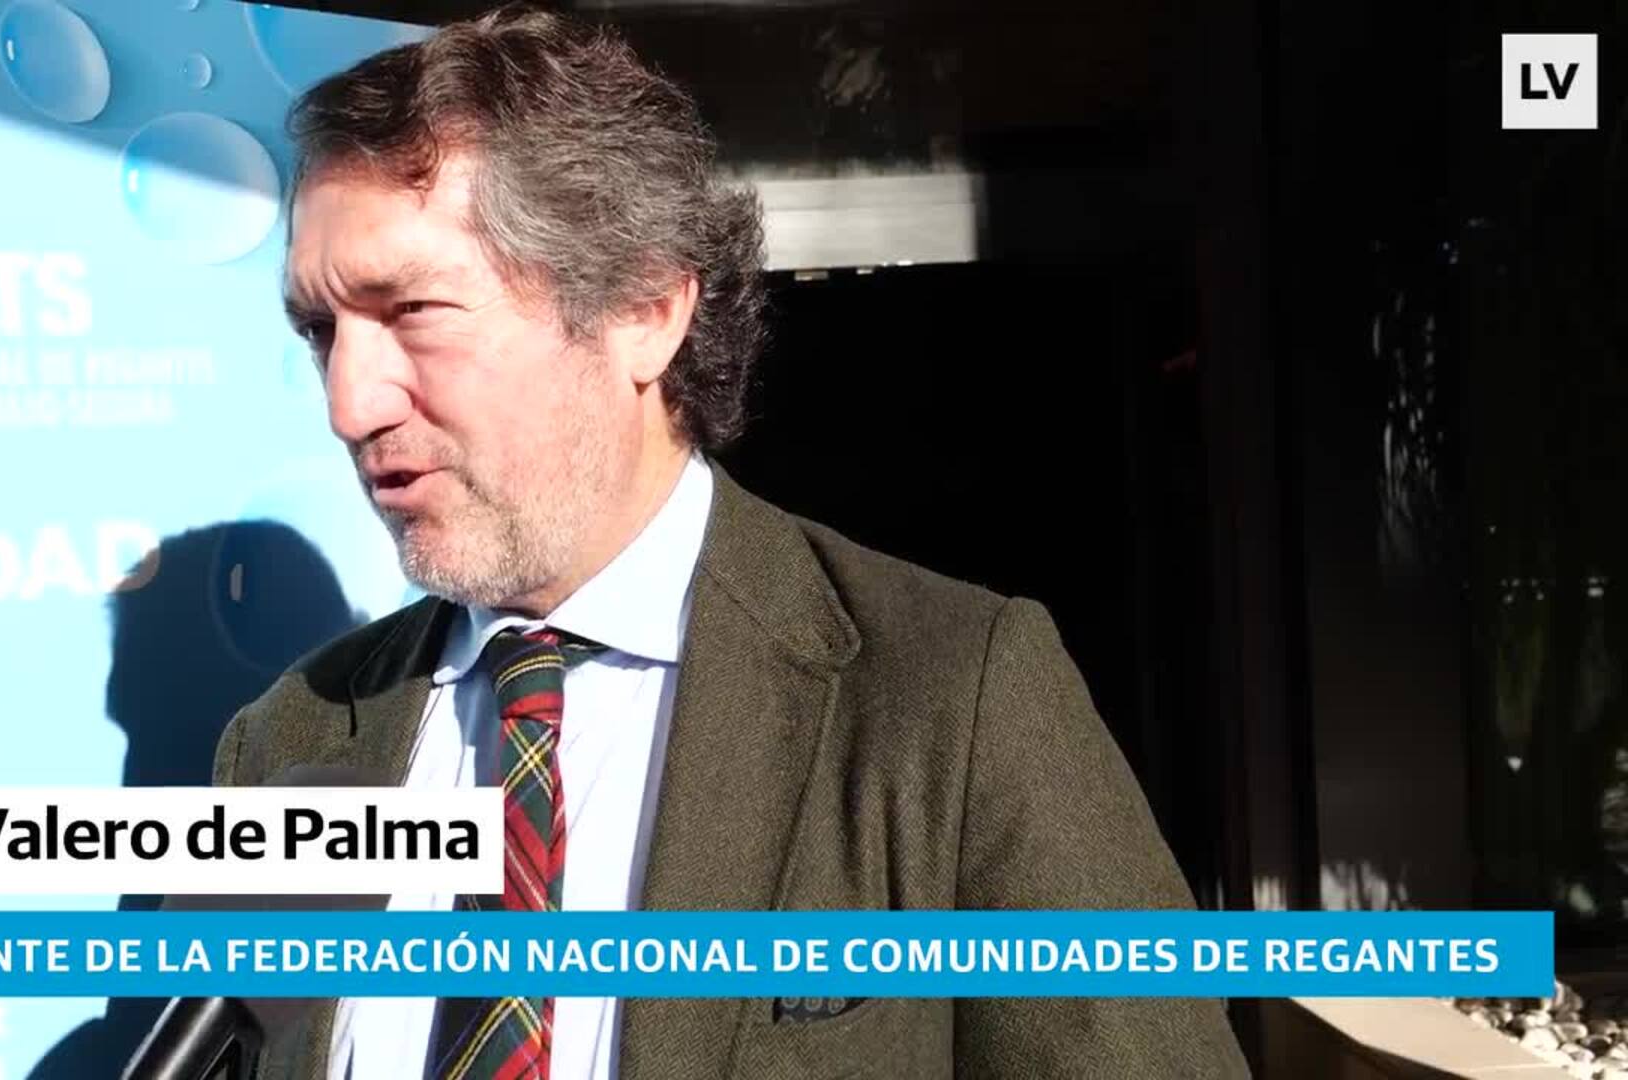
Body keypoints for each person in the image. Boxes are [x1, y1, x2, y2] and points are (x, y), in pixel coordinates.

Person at [213, 5, 1251, 1077]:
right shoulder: (288, 745)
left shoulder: (952, 697)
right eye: (321, 331)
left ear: (643, 309)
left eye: (413, 310)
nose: (349, 403)